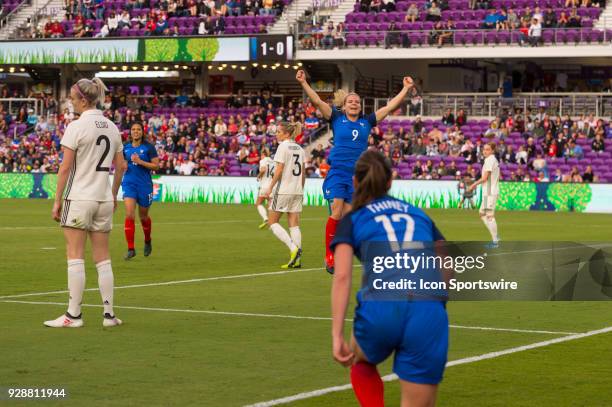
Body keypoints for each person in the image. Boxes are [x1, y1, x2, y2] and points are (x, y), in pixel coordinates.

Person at [330, 150, 448, 407]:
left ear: (354, 182)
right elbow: (446, 259)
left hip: (381, 307)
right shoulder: (418, 213)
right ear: (390, 182)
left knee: (360, 359)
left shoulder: (352, 219)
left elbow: (342, 276)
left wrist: (336, 334)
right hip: (427, 309)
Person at [296, 69, 414, 274]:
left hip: (356, 177)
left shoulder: (367, 122)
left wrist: (405, 88)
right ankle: (330, 256)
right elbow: (316, 102)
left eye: (357, 101)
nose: (354, 103)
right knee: (336, 211)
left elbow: (390, 107)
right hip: (337, 173)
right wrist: (304, 82)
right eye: (351, 101)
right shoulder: (335, 117)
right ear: (344, 105)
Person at [45, 77, 126, 328]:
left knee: (75, 256)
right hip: (103, 198)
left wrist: (57, 200)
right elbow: (121, 166)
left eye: (72, 97)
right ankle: (109, 315)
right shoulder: (112, 127)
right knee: (103, 258)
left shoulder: (77, 126)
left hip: (80, 197)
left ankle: (73, 315)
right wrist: (112, 194)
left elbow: (65, 167)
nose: (70, 101)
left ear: (83, 99)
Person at [262, 122, 305, 269]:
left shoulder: (283, 147)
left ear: (287, 134)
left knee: (272, 222)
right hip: (297, 190)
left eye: (279, 132)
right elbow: (303, 172)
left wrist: (269, 187)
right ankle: (298, 259)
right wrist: (301, 189)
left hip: (284, 189)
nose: (276, 134)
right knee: (294, 224)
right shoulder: (299, 148)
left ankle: (293, 249)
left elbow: (279, 169)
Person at [122, 122, 160, 260]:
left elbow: (156, 166)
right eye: (133, 129)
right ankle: (131, 249)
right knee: (129, 214)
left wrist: (141, 162)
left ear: (142, 132)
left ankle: (147, 240)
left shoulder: (149, 147)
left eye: (138, 129)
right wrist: (123, 164)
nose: (136, 131)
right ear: (130, 132)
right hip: (129, 183)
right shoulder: (125, 147)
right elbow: (121, 162)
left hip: (144, 185)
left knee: (143, 217)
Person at [467, 142, 500, 246]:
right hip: (488, 191)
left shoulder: (490, 160)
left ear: (492, 151)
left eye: (488, 149)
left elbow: (485, 178)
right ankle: (495, 236)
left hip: (490, 191)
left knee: (489, 216)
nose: (485, 151)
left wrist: (473, 185)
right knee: (482, 214)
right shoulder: (489, 160)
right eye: (484, 149)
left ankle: (495, 241)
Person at [256, 150, 274, 229]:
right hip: (271, 186)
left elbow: (263, 170)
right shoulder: (273, 162)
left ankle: (265, 218)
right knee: (270, 204)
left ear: (263, 154)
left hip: (264, 185)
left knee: (258, 203)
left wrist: (258, 176)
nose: (260, 157)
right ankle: (272, 223)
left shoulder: (263, 161)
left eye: (261, 155)